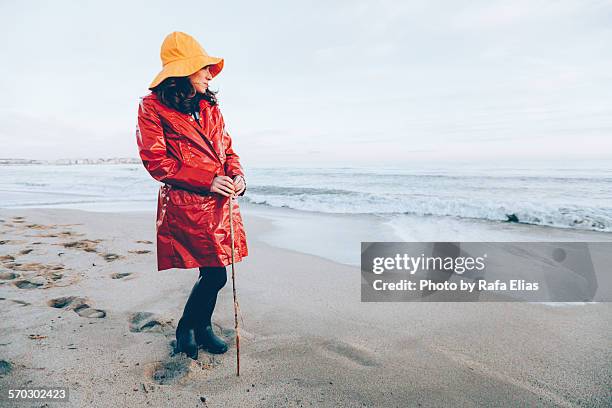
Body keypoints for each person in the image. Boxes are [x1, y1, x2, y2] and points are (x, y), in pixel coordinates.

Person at [135, 31, 249, 360]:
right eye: (203, 69)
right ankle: (188, 327)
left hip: (220, 203)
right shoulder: (151, 107)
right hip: (188, 203)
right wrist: (208, 180)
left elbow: (228, 149)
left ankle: (201, 328)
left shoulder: (210, 107)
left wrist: (238, 175)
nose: (209, 74)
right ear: (184, 72)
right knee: (214, 273)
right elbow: (157, 162)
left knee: (212, 272)